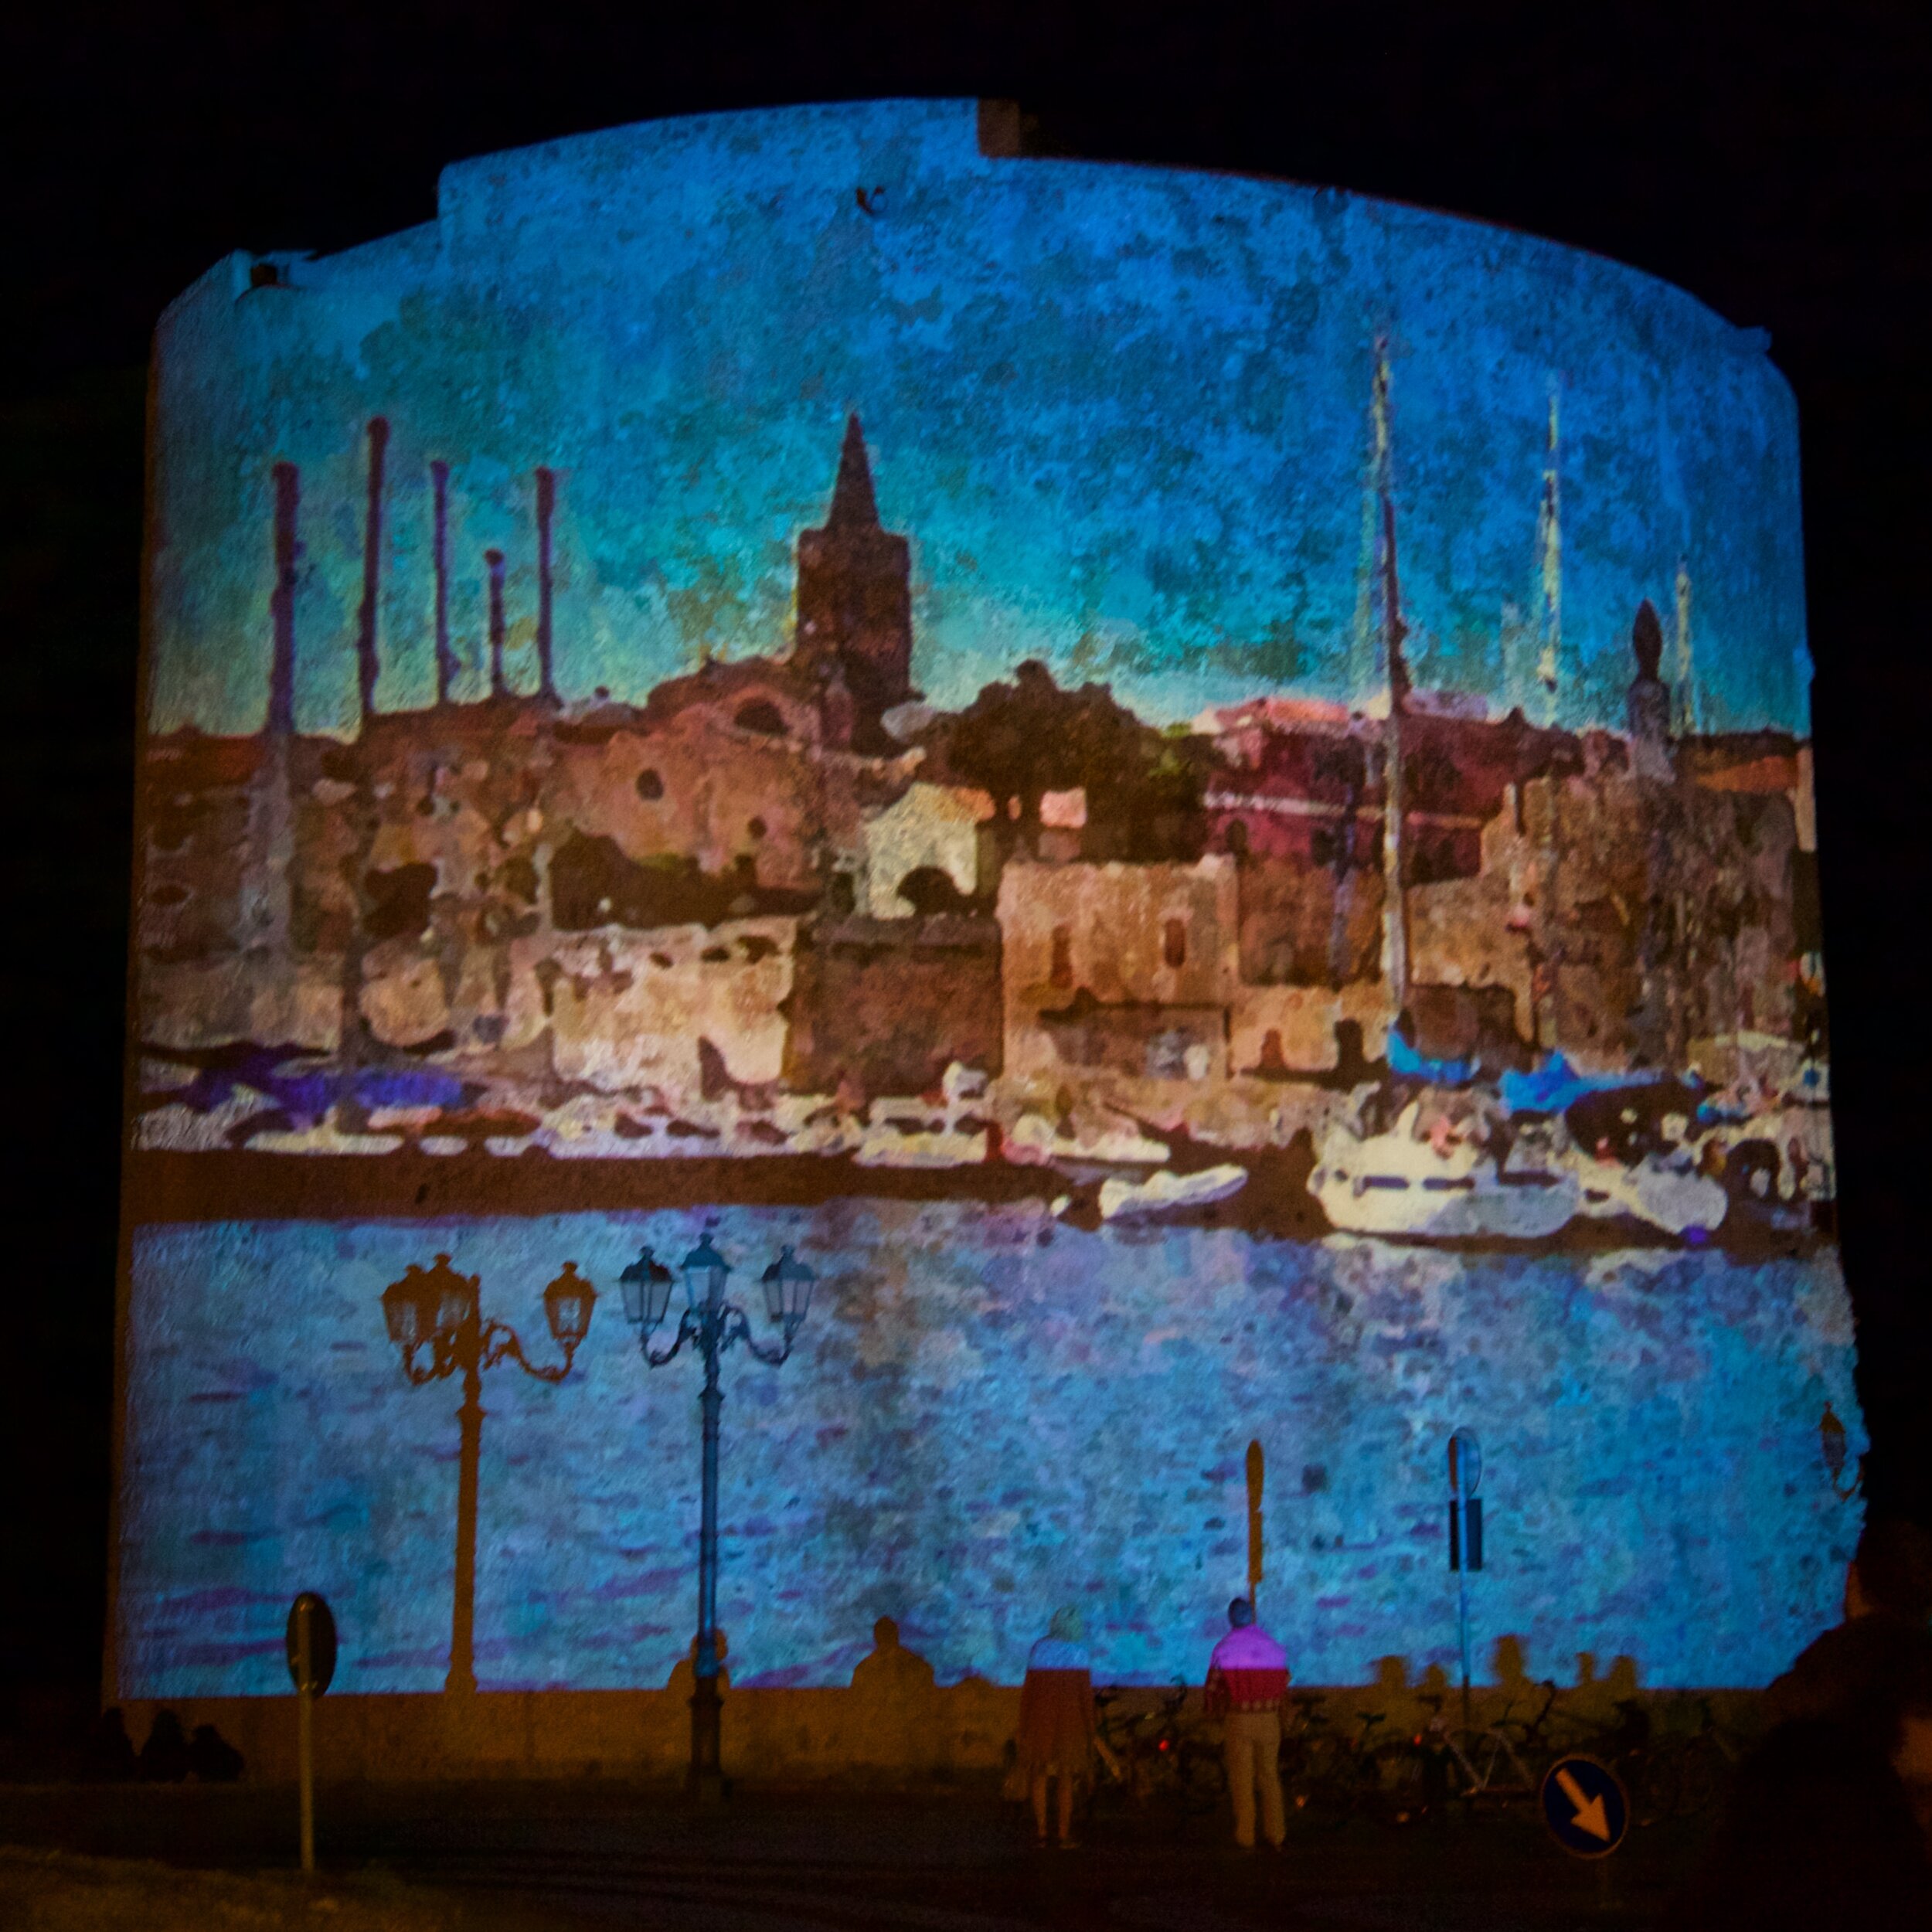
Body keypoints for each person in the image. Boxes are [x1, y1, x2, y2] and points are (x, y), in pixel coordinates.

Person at [1015, 1606, 1116, 1848]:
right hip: (1071, 1722)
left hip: (1041, 1720)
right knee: (1066, 1778)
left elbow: (1030, 1690)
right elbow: (1084, 1693)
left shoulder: (1039, 1650)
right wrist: (1091, 1727)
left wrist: (1023, 1724)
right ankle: (1063, 1834)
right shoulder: (1078, 1653)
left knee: (1038, 1775)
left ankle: (1041, 1832)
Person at [1206, 1597, 1289, 1850]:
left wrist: (1213, 1717)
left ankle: (1246, 1834)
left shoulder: (1223, 1648)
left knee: (1242, 1779)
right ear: (1252, 1616)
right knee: (1269, 1777)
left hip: (1239, 1720)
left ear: (1230, 1618)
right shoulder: (1274, 1647)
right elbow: (1285, 1685)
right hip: (1269, 1720)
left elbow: (1213, 1690)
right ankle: (1276, 1833)